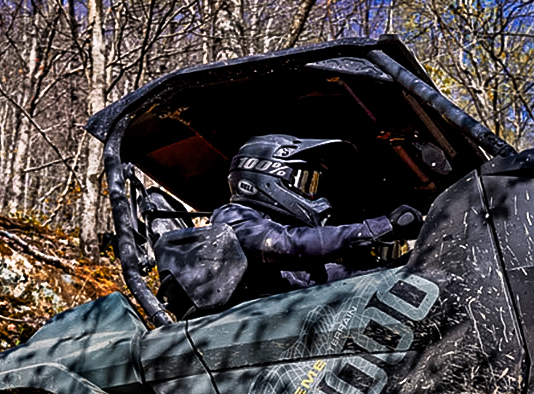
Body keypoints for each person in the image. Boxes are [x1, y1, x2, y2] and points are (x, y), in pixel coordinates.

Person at [155, 133, 420, 314]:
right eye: (306, 182)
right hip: (253, 339)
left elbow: (338, 277)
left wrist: (406, 266)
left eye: (315, 184)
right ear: (265, 178)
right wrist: (376, 228)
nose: (316, 196)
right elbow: (285, 245)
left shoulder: (293, 258)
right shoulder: (233, 216)